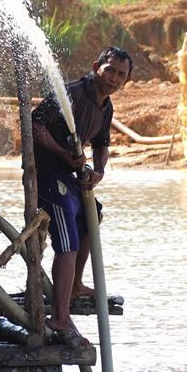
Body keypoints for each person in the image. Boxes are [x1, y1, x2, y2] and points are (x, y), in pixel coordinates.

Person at [32, 46, 132, 344]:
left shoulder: (106, 106)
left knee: (93, 217)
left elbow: (101, 143)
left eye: (121, 75)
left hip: (71, 177)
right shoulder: (72, 93)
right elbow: (35, 124)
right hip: (48, 177)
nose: (114, 78)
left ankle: (74, 285)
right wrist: (63, 153)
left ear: (125, 81)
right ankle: (61, 317)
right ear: (96, 66)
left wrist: (98, 171)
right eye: (110, 70)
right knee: (68, 242)